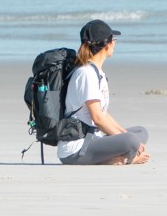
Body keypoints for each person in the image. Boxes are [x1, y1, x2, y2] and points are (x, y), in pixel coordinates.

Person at [57, 20, 149, 166]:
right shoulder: (86, 73)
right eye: (114, 39)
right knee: (131, 141)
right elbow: (98, 117)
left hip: (94, 139)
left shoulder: (96, 72)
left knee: (140, 132)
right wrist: (128, 140)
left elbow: (103, 113)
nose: (115, 43)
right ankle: (122, 159)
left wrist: (124, 133)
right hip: (77, 149)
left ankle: (118, 155)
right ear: (107, 44)